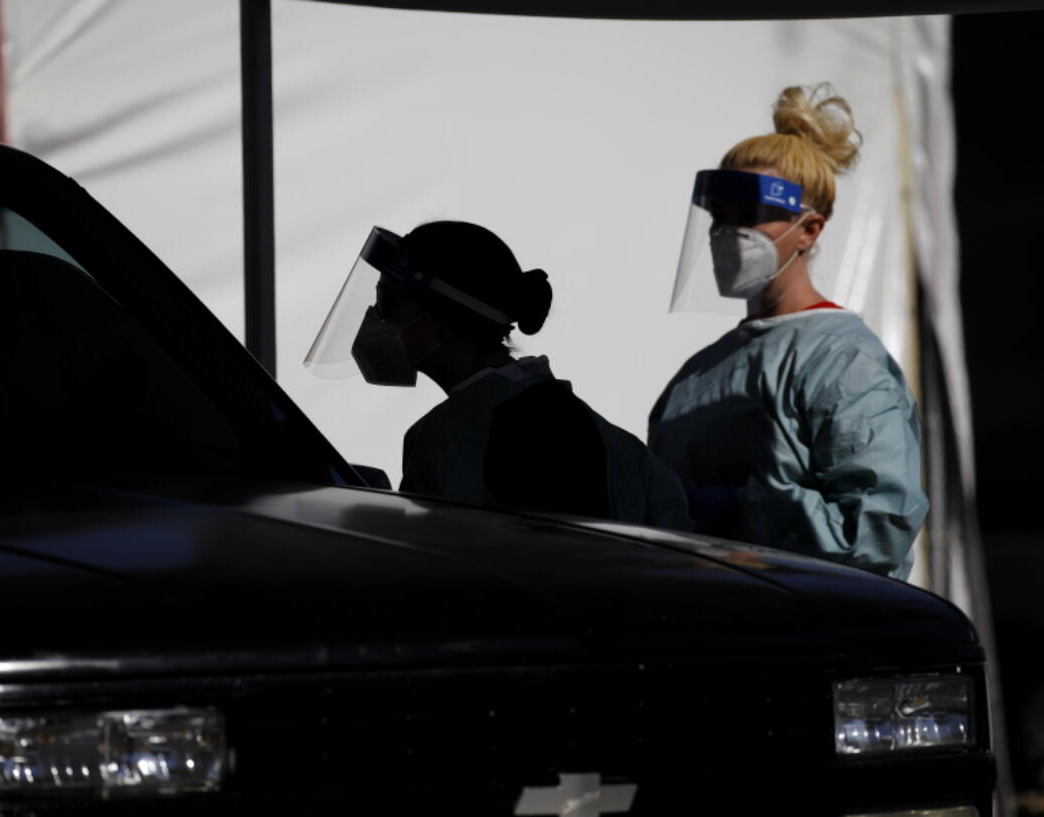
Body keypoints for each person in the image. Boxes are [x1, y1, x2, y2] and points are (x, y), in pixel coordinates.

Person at [648, 85, 928, 579]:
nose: (728, 234)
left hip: (814, 633)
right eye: (721, 217)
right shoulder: (697, 373)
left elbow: (874, 531)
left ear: (809, 229)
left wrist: (743, 509)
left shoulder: (844, 361)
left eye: (751, 217)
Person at [306, 220, 690, 528]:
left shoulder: (449, 438)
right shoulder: (618, 444)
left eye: (388, 302)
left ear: (447, 322)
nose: (374, 318)